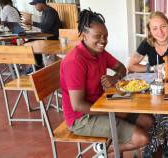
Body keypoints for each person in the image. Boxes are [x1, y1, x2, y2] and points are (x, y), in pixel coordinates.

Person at [60, 9, 153, 156]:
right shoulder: (75, 61)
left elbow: (122, 68)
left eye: (105, 36)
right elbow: (78, 105)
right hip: (81, 118)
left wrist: (114, 78)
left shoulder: (100, 53)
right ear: (84, 35)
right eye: (97, 36)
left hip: (103, 104)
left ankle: (110, 145)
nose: (103, 40)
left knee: (148, 121)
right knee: (142, 138)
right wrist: (113, 112)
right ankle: (104, 150)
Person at [128, 11, 168, 158]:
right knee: (157, 106)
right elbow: (131, 66)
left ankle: (154, 147)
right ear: (150, 30)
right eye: (154, 28)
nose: (159, 32)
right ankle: (167, 145)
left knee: (167, 106)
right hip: (154, 85)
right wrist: (152, 68)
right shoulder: (147, 42)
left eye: (163, 26)